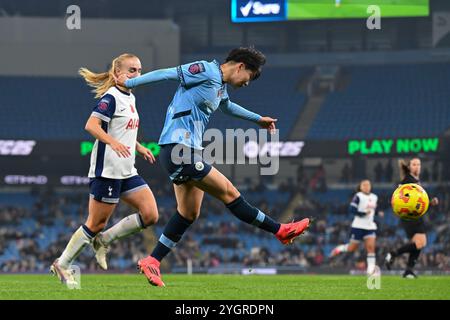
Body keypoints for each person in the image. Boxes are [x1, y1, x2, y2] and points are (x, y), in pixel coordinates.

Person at [116, 47, 311, 287]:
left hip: (186, 151)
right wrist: (131, 82)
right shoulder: (206, 70)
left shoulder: (219, 86)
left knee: (189, 213)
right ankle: (280, 230)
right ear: (240, 66)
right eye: (248, 77)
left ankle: (152, 261)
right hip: (179, 149)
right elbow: (168, 73)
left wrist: (258, 119)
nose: (247, 84)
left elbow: (227, 106)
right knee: (229, 192)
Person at [50, 53, 159, 286]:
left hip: (127, 170)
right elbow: (91, 125)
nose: (137, 75)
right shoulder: (111, 97)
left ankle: (104, 240)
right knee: (95, 224)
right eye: (132, 70)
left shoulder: (131, 97)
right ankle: (63, 263)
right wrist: (113, 142)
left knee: (150, 214)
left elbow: (123, 130)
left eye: (139, 70)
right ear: (117, 74)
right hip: (107, 170)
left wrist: (138, 147)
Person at [384, 158, 439, 278]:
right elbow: (402, 198)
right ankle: (394, 254)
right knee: (421, 242)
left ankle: (408, 270)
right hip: (411, 216)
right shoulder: (408, 180)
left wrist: (429, 202)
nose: (417, 166)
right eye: (414, 164)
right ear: (409, 167)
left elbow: (415, 201)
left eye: (419, 164)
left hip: (414, 215)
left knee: (419, 244)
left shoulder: (415, 181)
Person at [330, 179, 383, 275]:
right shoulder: (358, 196)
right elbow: (352, 209)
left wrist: (379, 212)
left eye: (368, 185)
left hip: (370, 226)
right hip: (358, 226)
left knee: (371, 247)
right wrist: (363, 213)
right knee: (352, 248)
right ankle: (339, 249)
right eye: (364, 185)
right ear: (360, 187)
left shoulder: (374, 197)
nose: (367, 187)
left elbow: (375, 208)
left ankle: (370, 270)